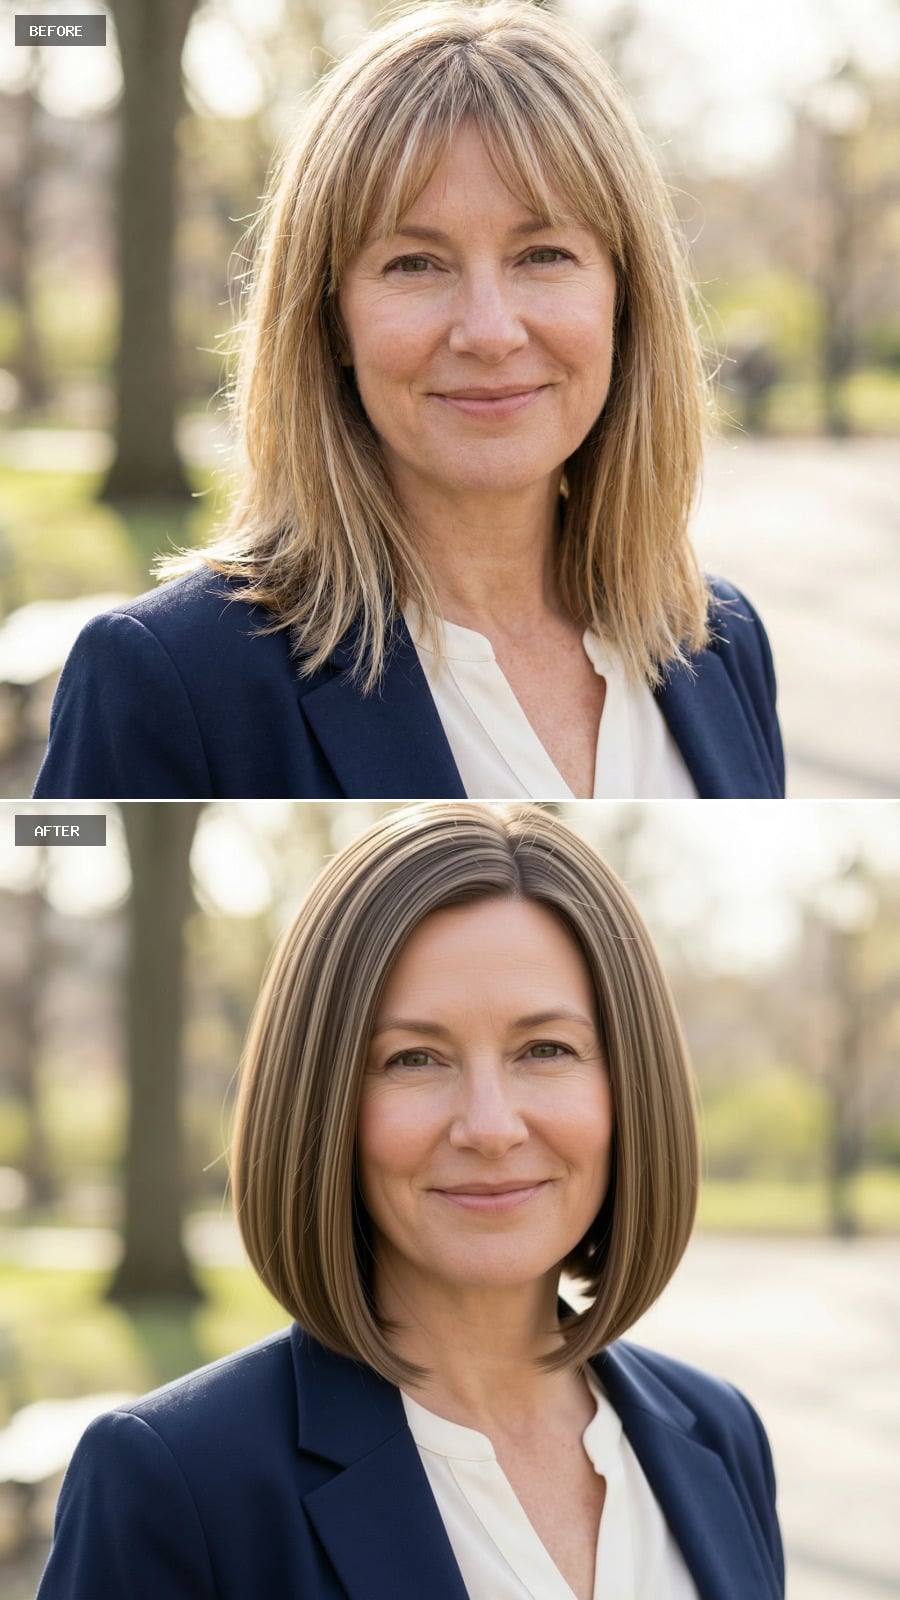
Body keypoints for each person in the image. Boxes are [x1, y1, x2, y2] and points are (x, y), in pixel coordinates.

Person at [34, 1, 783, 802]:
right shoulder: (167, 677)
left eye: (544, 254)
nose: (490, 332)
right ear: (331, 319)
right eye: (415, 264)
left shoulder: (721, 640)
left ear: (624, 299)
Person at [37, 803, 784, 1599]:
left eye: (546, 1049)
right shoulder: (177, 1482)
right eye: (414, 1058)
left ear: (628, 1085)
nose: (491, 1128)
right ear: (322, 1101)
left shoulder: (718, 1432)